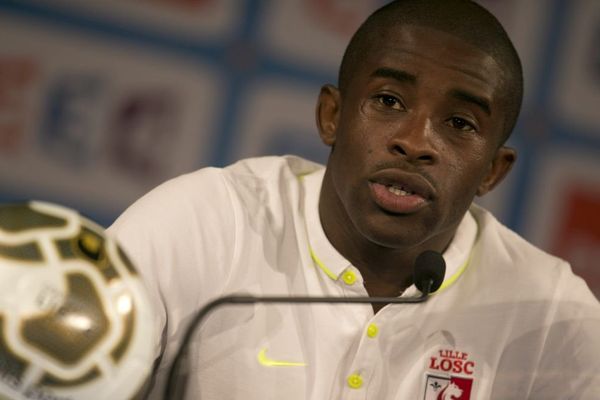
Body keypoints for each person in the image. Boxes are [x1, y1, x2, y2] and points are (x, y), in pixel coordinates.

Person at [108, 1, 600, 399]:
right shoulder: (207, 223)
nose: (415, 141)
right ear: (331, 116)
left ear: (492, 171)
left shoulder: (551, 315)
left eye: (459, 123)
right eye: (389, 100)